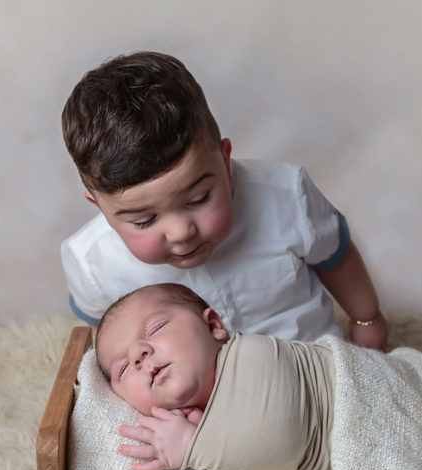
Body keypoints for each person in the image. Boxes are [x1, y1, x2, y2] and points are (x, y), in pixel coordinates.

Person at [61, 50, 388, 350]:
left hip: (313, 369)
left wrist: (367, 319)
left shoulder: (287, 196)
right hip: (197, 405)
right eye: (144, 221)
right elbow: (104, 334)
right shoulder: (92, 263)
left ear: (225, 162)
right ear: (101, 209)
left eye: (199, 198)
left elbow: (336, 256)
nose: (180, 232)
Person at [94, 282, 335, 470]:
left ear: (213, 326)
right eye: (123, 368)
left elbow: (279, 445)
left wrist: (192, 445)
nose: (138, 354)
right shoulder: (195, 423)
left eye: (155, 328)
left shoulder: (255, 355)